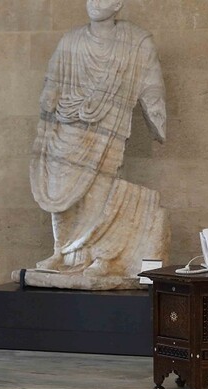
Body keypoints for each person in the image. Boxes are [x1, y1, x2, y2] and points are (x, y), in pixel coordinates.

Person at [29, 0, 168, 281]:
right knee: (59, 189)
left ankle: (102, 255)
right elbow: (52, 79)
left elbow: (152, 82)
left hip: (107, 124)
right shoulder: (71, 40)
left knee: (100, 190)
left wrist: (156, 115)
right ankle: (61, 251)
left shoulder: (136, 41)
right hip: (67, 122)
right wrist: (49, 98)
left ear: (118, 4)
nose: (94, 3)